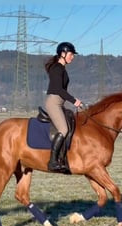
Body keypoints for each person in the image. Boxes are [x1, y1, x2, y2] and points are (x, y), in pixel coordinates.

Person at [44, 41, 82, 172]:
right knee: (64, 129)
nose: (73, 57)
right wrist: (73, 100)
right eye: (71, 54)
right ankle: (53, 162)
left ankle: (64, 158)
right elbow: (58, 89)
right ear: (63, 54)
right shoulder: (57, 69)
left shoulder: (61, 69)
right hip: (54, 102)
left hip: (59, 102)